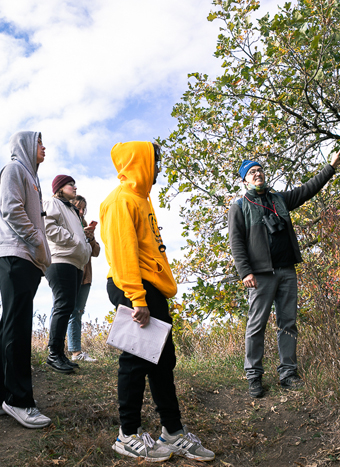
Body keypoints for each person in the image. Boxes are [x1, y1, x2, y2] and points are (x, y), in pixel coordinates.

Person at [100, 141, 214, 462]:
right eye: (155, 161)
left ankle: (172, 431)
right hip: (134, 288)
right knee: (135, 362)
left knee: (163, 362)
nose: (159, 168)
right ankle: (127, 434)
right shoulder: (121, 200)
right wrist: (137, 298)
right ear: (142, 162)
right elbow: (123, 254)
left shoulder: (141, 198)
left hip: (151, 289)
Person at [228, 151, 340, 398]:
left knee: (287, 322)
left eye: (259, 170)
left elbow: (308, 189)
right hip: (260, 275)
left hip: (287, 270)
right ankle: (254, 376)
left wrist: (330, 168)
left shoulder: (279, 199)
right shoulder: (239, 206)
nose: (257, 174)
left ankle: (288, 373)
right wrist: (245, 271)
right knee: (256, 325)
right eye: (252, 172)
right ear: (245, 181)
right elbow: (236, 243)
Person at [0, 131, 53, 429]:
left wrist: (38, 250)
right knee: (18, 327)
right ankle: (19, 400)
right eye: (39, 142)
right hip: (14, 255)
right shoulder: (14, 169)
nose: (44, 147)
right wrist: (37, 240)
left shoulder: (31, 178)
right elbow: (12, 210)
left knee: (9, 324)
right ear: (26, 145)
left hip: (25, 258)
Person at [44, 176, 92, 373]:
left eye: (74, 183)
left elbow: (80, 238)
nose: (74, 187)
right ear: (59, 188)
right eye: (70, 184)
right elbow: (48, 227)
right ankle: (54, 354)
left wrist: (85, 245)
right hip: (60, 260)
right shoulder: (52, 202)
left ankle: (61, 354)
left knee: (68, 307)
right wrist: (73, 240)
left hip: (75, 263)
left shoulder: (71, 210)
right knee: (63, 306)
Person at [67, 195, 101, 362]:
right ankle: (72, 352)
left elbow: (96, 252)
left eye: (83, 208)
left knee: (78, 311)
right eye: (78, 207)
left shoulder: (85, 225)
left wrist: (90, 236)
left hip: (86, 276)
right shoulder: (66, 222)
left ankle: (75, 351)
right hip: (70, 271)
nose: (81, 211)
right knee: (66, 310)